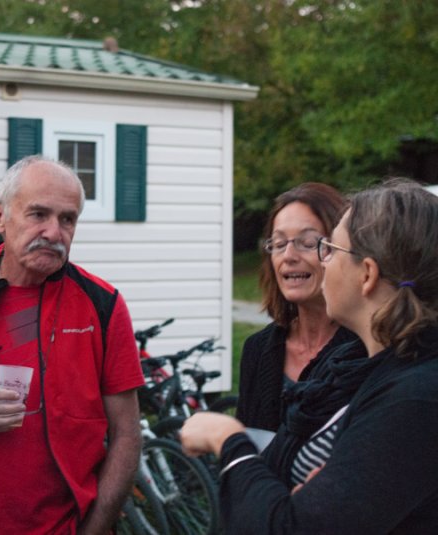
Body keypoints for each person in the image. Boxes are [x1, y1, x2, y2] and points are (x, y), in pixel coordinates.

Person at [180, 179, 438, 534]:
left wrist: (226, 438)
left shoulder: (416, 395)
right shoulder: (366, 367)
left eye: (327, 248)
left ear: (367, 275)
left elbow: (288, 527)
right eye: (279, 242)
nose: (320, 261)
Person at [0, 155, 144, 534]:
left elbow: (127, 433)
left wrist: (94, 529)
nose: (55, 233)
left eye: (67, 219)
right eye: (38, 214)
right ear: (0, 217)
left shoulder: (103, 305)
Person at [236, 183, 359, 431]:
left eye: (308, 242)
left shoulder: (367, 349)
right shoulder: (257, 350)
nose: (289, 256)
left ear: (343, 250)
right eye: (279, 244)